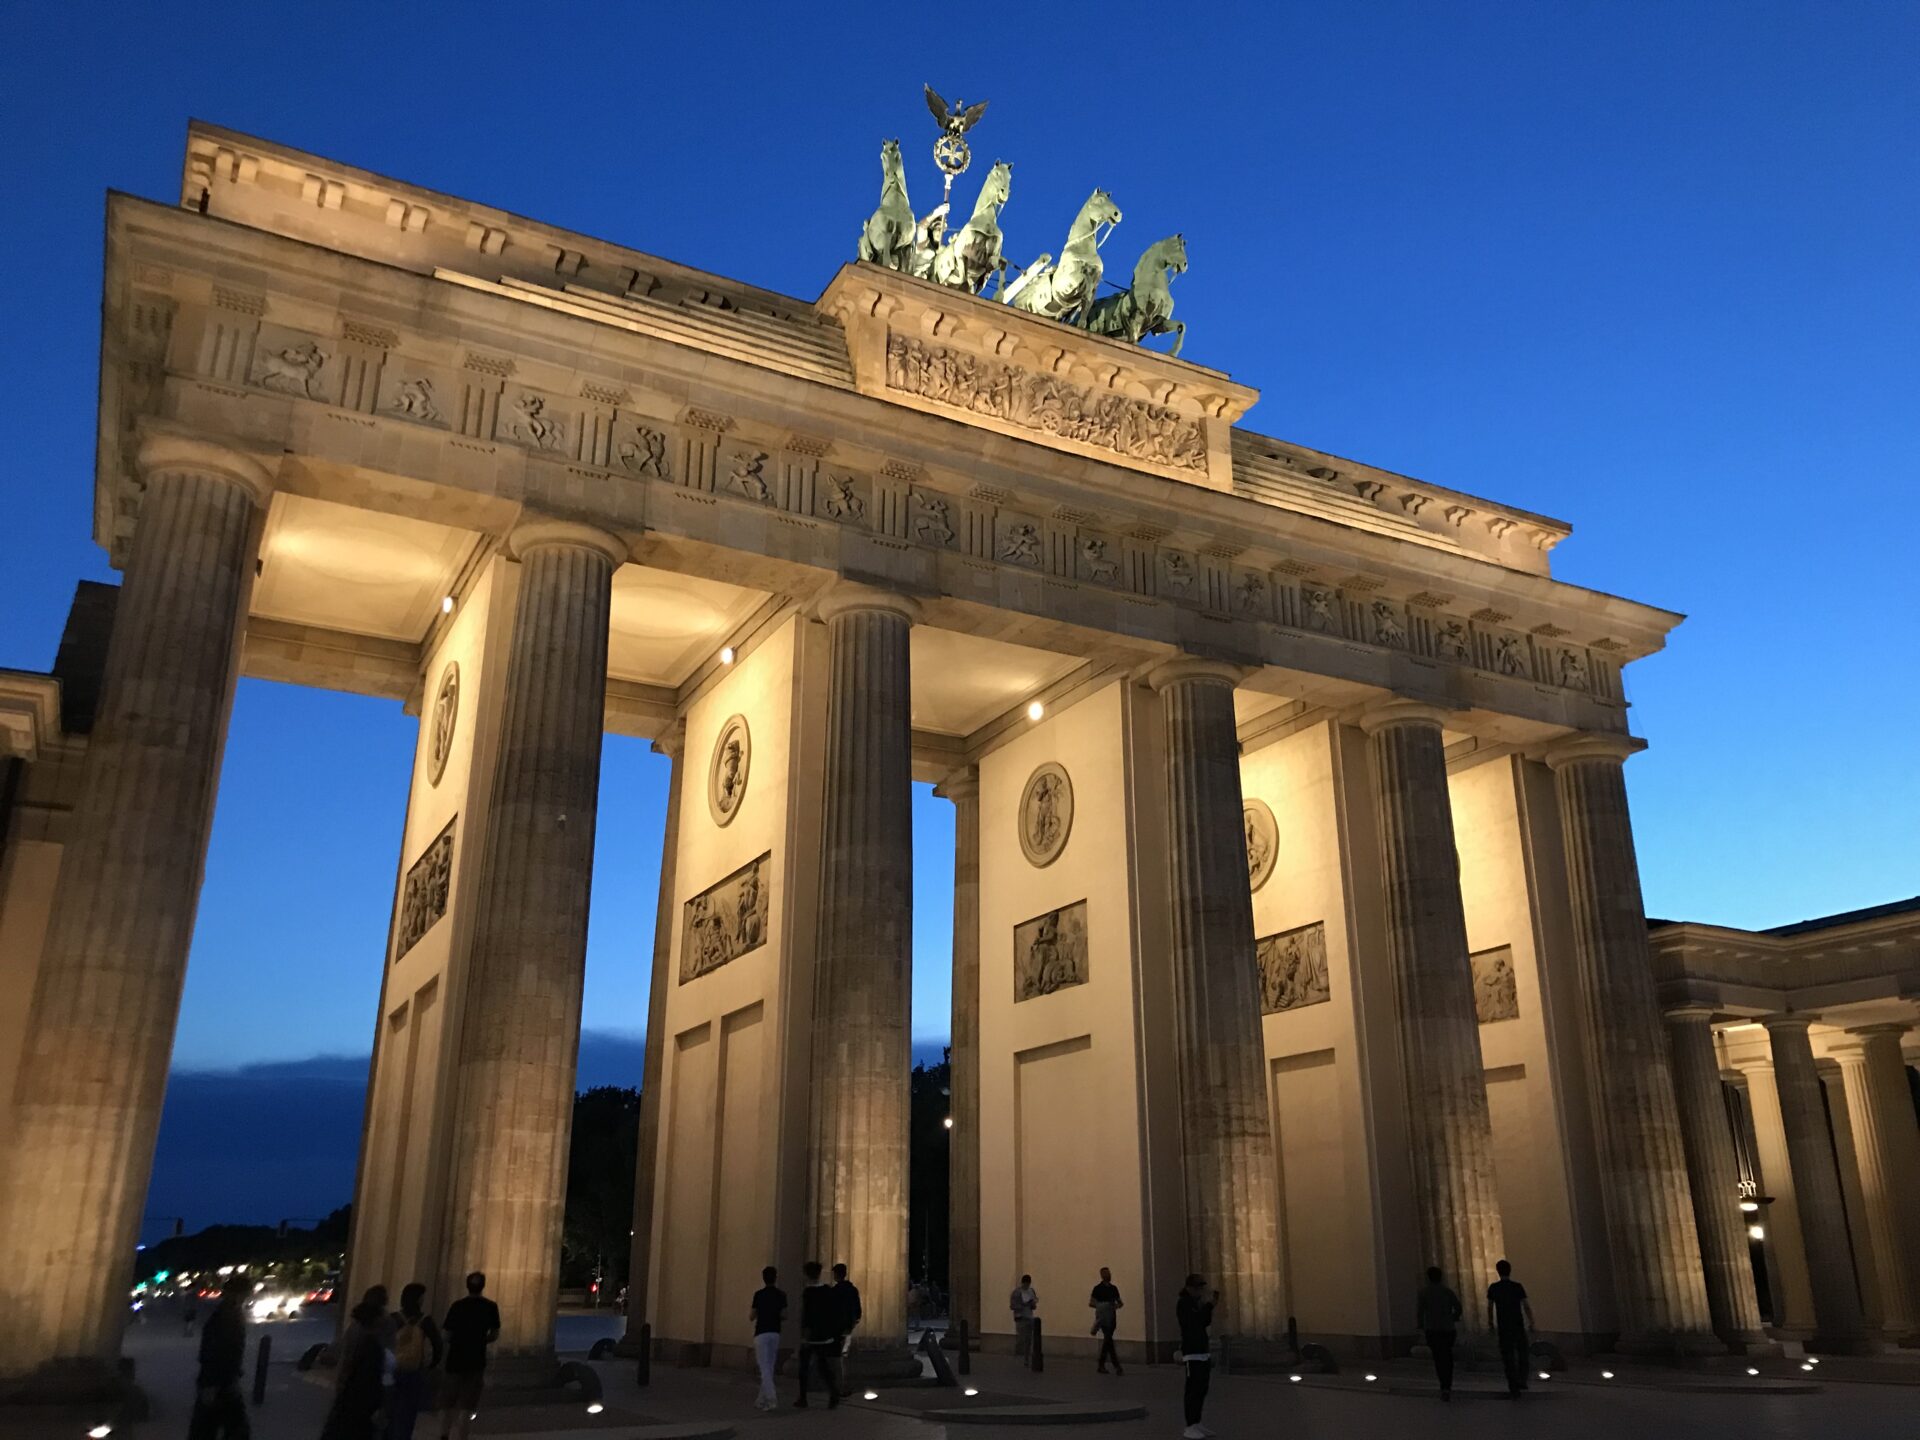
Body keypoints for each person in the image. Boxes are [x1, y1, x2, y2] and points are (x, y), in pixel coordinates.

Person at [320, 1290, 388, 1440]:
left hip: (349, 1394)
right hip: (360, 1403)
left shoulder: (355, 1330)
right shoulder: (372, 1344)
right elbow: (370, 1378)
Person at [441, 1271, 501, 1440]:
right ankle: (462, 1436)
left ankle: (444, 1434)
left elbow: (446, 1334)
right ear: (483, 1286)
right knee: (467, 1405)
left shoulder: (457, 1306)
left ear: (467, 1285)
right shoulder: (490, 1307)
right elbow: (495, 1333)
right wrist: (482, 1341)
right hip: (476, 1359)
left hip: (455, 1359)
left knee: (448, 1403)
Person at [187, 1286, 250, 1440]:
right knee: (228, 1425)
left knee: (207, 1425)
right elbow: (219, 1351)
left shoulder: (224, 1315)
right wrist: (213, 1382)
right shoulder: (228, 1317)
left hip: (219, 1379)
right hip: (220, 1380)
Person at [387, 1282, 443, 1440]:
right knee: (408, 1412)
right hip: (414, 1370)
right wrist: (431, 1364)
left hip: (394, 1368)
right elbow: (438, 1345)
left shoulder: (394, 1318)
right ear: (419, 1299)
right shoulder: (425, 1321)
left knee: (391, 1409)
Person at [1486, 1259, 1535, 1397]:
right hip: (1518, 1324)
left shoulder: (1494, 1288)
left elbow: (1490, 1307)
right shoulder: (1517, 1286)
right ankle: (1522, 1379)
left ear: (1498, 1271)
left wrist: (1490, 1323)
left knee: (1508, 1357)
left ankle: (1513, 1385)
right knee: (1523, 1354)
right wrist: (1531, 1321)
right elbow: (1525, 1305)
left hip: (1504, 1326)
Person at [1175, 1273, 1216, 1440]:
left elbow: (1205, 1322)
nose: (1200, 1291)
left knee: (1202, 1388)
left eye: (1201, 1288)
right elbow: (1193, 1323)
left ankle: (1197, 1422)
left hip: (1201, 1350)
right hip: (1192, 1352)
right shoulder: (1183, 1304)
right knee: (1193, 1389)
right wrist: (1206, 1308)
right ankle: (1189, 1425)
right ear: (1189, 1288)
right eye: (1198, 1287)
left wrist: (1210, 1307)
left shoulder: (1195, 1303)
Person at [794, 1262, 840, 1408]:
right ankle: (833, 1393)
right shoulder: (828, 1290)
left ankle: (803, 1397)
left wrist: (804, 1335)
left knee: (804, 1367)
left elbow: (806, 1315)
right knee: (823, 1366)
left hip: (812, 1336)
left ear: (807, 1275)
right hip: (825, 1335)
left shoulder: (808, 1293)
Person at [1415, 1265, 1463, 1400]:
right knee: (1447, 1356)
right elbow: (1458, 1307)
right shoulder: (1447, 1291)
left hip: (1432, 1329)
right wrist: (1454, 1317)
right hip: (1448, 1328)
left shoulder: (1424, 1293)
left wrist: (1420, 1325)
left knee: (1438, 1357)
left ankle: (1443, 1385)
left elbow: (1420, 1311)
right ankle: (1448, 1384)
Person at [750, 1266, 787, 1411]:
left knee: (764, 1367)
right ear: (775, 1278)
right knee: (769, 1367)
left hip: (761, 1333)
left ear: (763, 1278)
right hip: (775, 1332)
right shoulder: (781, 1295)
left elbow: (752, 1315)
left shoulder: (758, 1295)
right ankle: (761, 1399)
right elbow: (785, 1315)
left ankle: (771, 1399)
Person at [831, 1263, 862, 1395]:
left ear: (836, 1275)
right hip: (848, 1327)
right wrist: (853, 1322)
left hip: (837, 1328)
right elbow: (858, 1309)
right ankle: (843, 1384)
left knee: (838, 1358)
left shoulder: (835, 1291)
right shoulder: (852, 1290)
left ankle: (840, 1385)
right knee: (844, 1356)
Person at [1088, 1267, 1124, 1375]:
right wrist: (1104, 1306)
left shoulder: (1113, 1288)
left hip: (1111, 1317)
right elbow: (1091, 1303)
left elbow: (1120, 1303)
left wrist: (1113, 1307)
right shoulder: (1098, 1288)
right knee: (1108, 1339)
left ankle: (1102, 1364)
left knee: (1108, 1340)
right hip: (1104, 1318)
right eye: (1106, 1274)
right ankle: (1116, 1365)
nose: (1108, 1275)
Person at [1009, 1274, 1038, 1366]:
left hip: (1029, 1316)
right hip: (1021, 1317)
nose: (1027, 1286)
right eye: (1026, 1284)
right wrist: (1023, 1305)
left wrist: (1033, 1304)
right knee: (1022, 1338)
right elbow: (1012, 1306)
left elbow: (1034, 1305)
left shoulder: (1031, 1291)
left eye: (1028, 1284)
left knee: (1028, 1338)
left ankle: (1027, 1357)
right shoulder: (1017, 1292)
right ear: (1023, 1283)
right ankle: (1021, 1353)